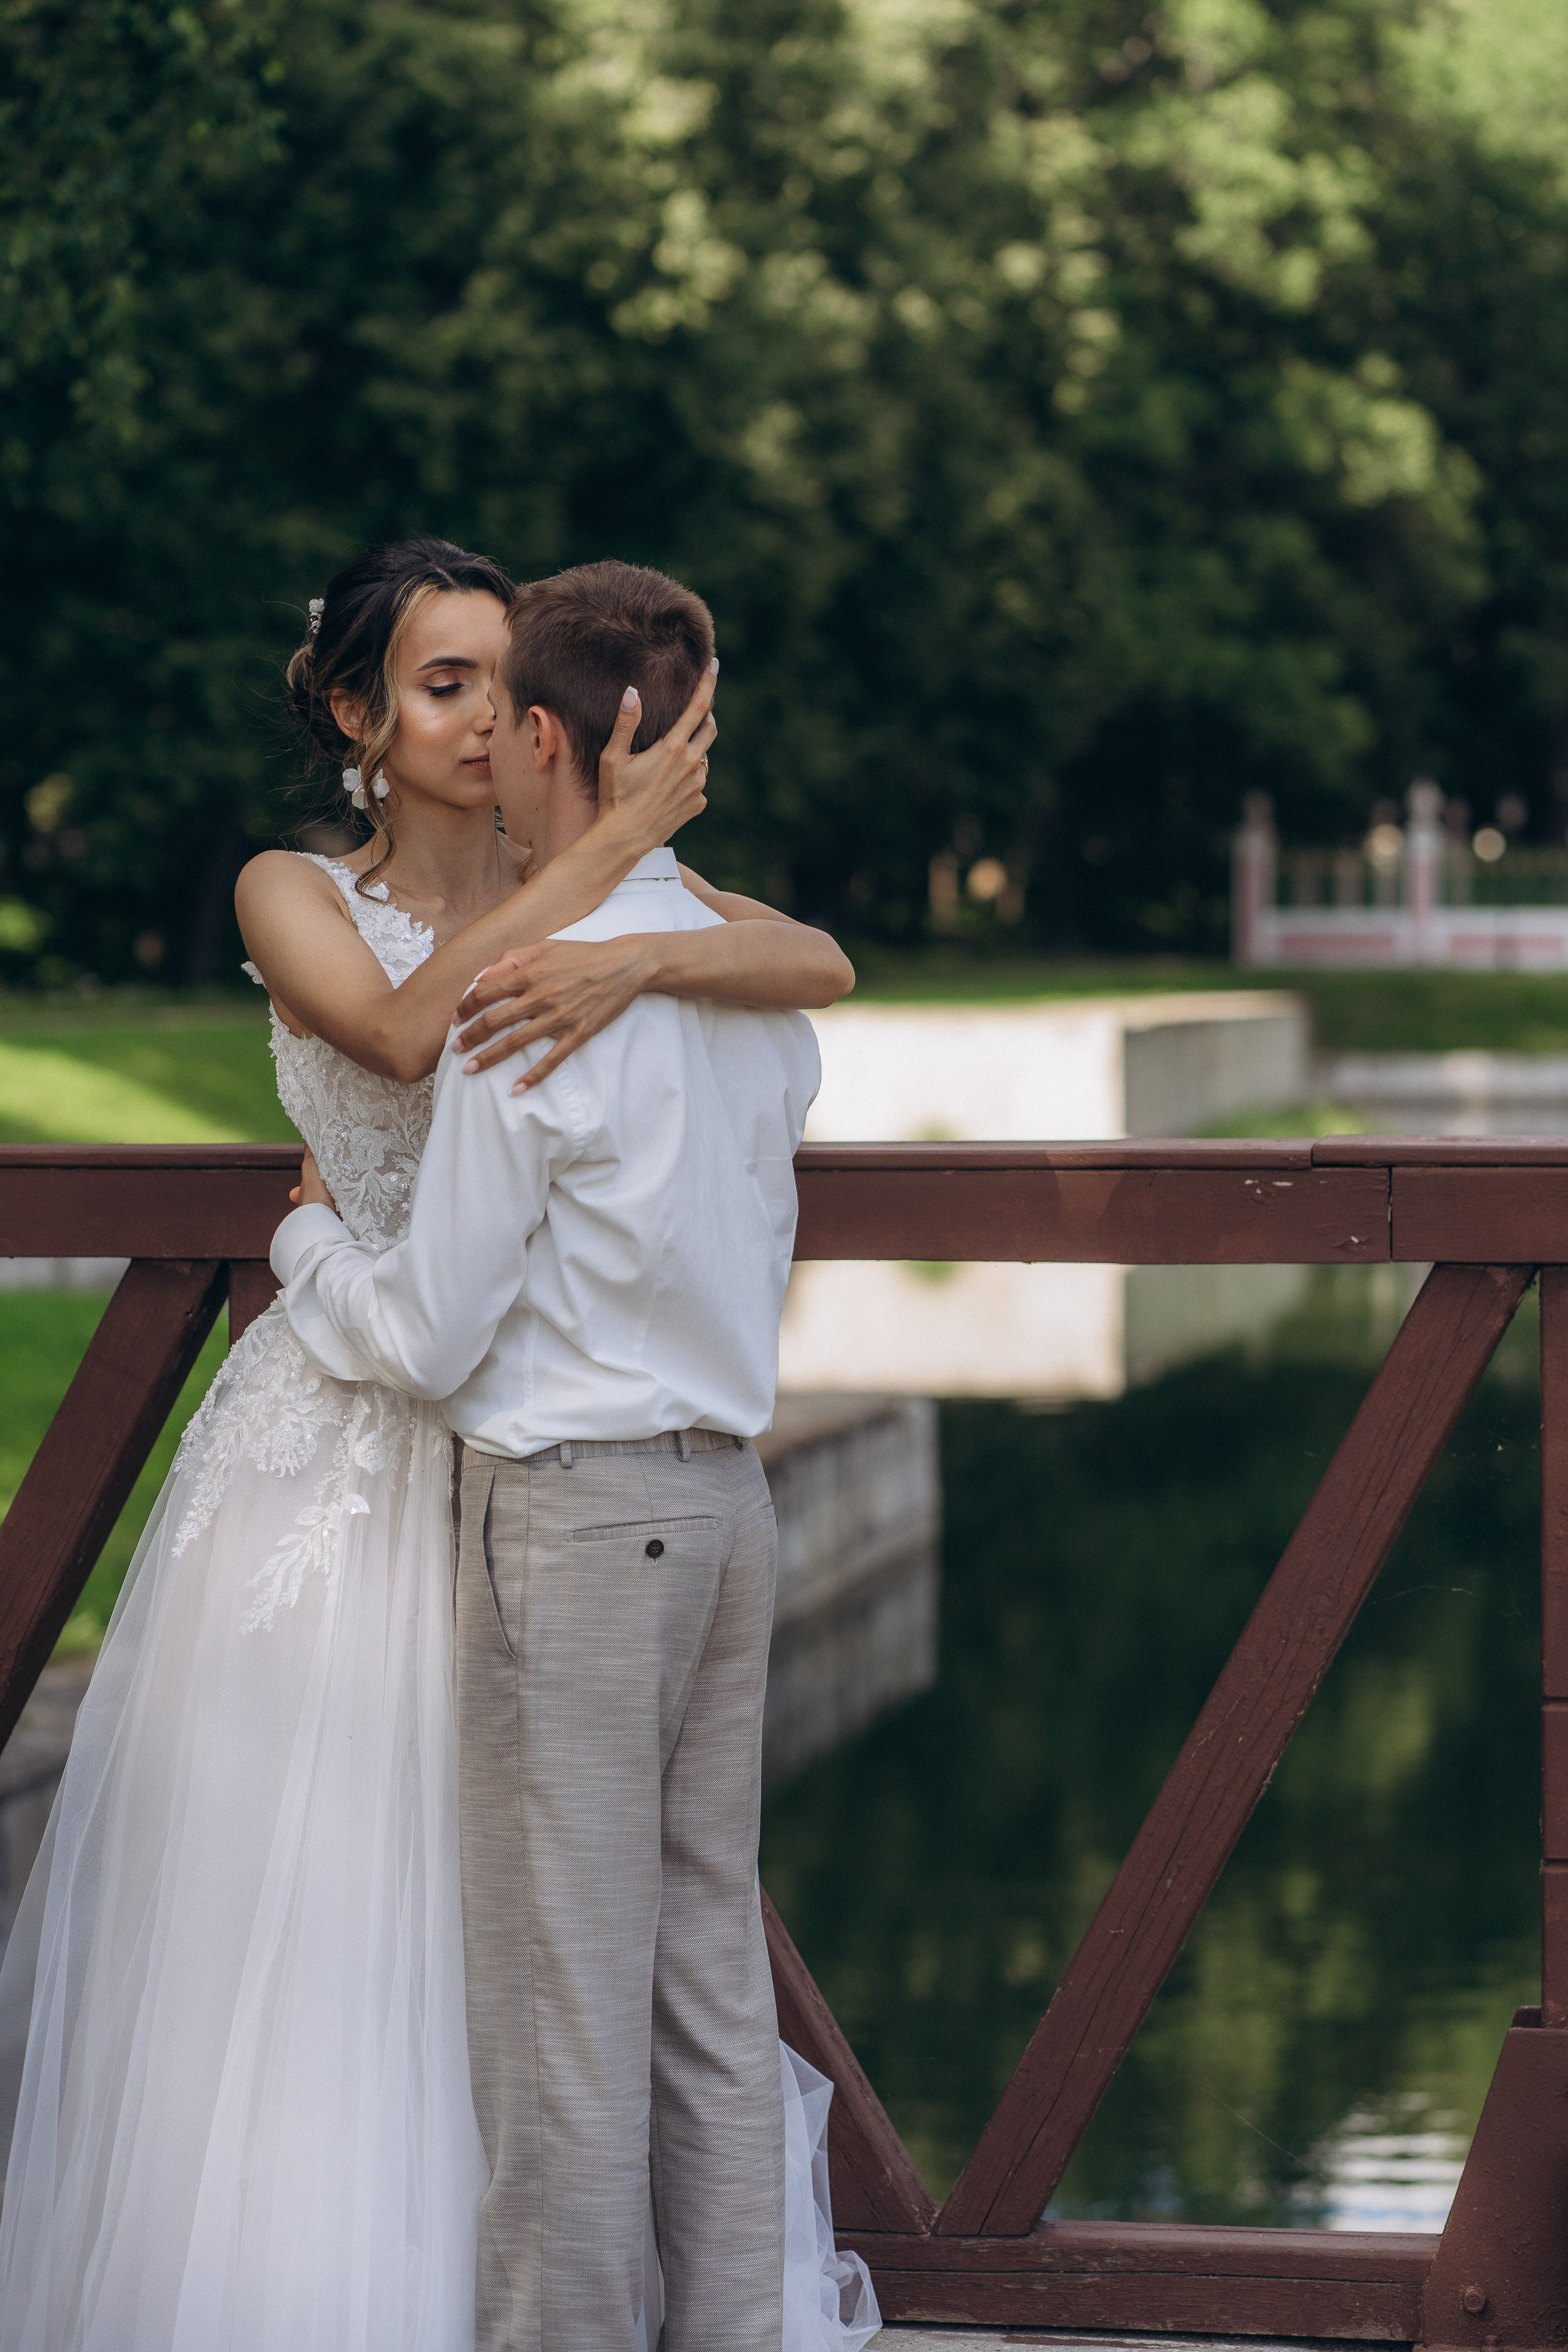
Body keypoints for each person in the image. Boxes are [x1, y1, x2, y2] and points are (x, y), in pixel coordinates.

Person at [0, 538, 873, 2351]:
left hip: (523, 1447)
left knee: (574, 1964)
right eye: (438, 684)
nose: (479, 722)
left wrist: (629, 944)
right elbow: (404, 1033)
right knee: (364, 1916)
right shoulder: (298, 889)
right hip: (346, 1458)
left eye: (500, 684)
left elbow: (820, 960)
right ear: (356, 714)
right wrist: (617, 892)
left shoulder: (610, 910)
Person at [270, 557, 853, 2352]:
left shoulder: (532, 1006)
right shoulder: (761, 1010)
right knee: (698, 1987)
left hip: (583, 1522)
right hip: (727, 1505)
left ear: (540, 731)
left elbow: (434, 1331)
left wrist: (306, 1249)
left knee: (557, 2017)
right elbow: (810, 969)